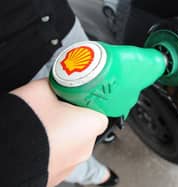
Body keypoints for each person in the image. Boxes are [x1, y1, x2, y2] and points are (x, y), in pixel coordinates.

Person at [0, 0, 118, 186]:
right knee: (53, 148)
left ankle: (104, 131)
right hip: (13, 72)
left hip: (57, 23)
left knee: (102, 96)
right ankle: (96, 175)